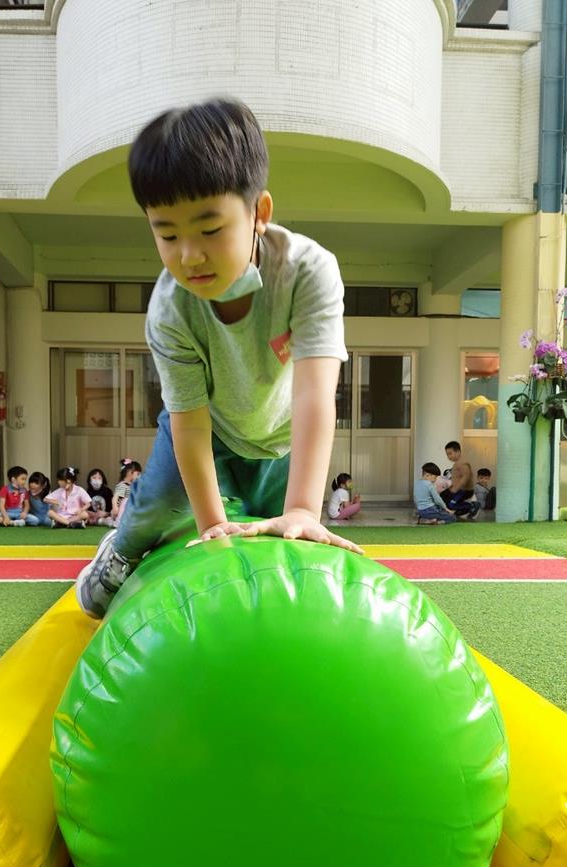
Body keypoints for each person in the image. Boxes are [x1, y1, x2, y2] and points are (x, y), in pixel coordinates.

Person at [76, 98, 362, 619]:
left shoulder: (307, 271)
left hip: (280, 437)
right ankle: (119, 550)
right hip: (204, 428)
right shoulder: (171, 309)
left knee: (284, 532)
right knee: (157, 510)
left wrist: (303, 508)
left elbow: (315, 393)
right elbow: (189, 423)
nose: (189, 254)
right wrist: (212, 527)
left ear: (260, 214)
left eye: (210, 230)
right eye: (167, 234)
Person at [440, 441, 479, 520]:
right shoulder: (457, 463)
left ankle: (472, 506)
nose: (449, 456)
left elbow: (466, 477)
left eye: (450, 453)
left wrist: (455, 488)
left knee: (451, 505)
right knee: (443, 495)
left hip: (464, 490)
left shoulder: (463, 463)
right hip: (459, 489)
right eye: (447, 454)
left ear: (458, 452)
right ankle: (455, 511)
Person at [112, 458, 142, 526]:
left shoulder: (132, 486)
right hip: (119, 512)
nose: (139, 477)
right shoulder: (123, 485)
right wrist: (115, 507)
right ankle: (117, 522)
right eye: (138, 474)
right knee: (126, 500)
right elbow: (115, 497)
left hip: (128, 511)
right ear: (130, 472)